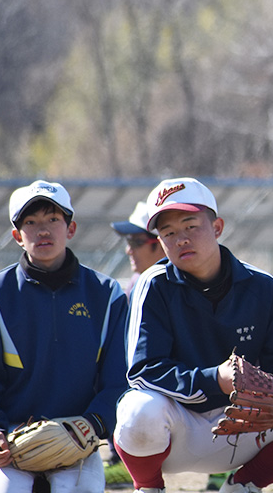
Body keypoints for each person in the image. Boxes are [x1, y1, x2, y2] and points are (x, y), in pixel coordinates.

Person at [113, 177, 273, 493]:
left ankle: (243, 485)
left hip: (247, 429)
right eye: (168, 232)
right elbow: (143, 371)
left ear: (217, 226)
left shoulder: (261, 286)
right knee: (137, 409)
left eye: (190, 225)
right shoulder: (153, 285)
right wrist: (214, 379)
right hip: (180, 431)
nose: (180, 239)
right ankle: (149, 486)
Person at [0, 180, 129, 493]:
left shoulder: (107, 295)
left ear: (71, 228)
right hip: (11, 437)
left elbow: (119, 380)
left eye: (53, 220)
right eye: (31, 223)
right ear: (17, 236)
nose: (43, 231)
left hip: (80, 435)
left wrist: (93, 424)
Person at [104, 201, 167, 487]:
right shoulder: (137, 280)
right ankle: (121, 459)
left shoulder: (177, 283)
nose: (129, 249)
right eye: (128, 242)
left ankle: (222, 468)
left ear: (160, 243)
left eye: (136, 241)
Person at [110, 201, 167, 296]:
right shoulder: (137, 281)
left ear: (162, 243)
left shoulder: (183, 285)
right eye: (128, 242)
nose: (128, 251)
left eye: (136, 243)